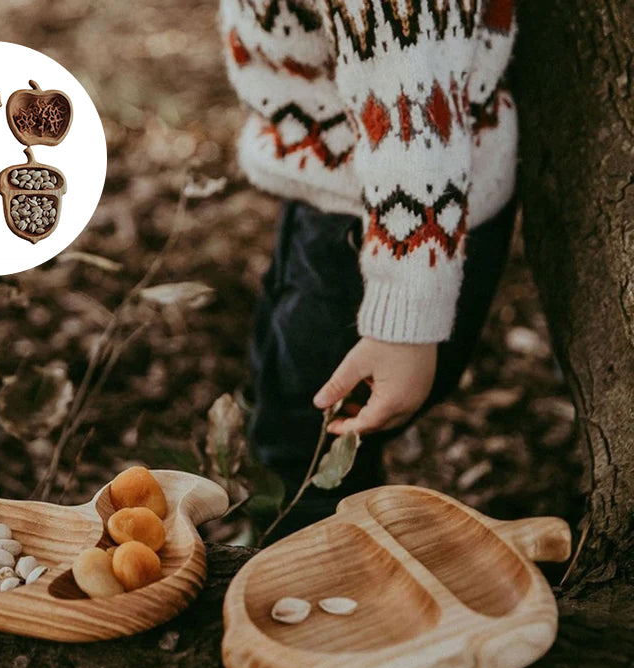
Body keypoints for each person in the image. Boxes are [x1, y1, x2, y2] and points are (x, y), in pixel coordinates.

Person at [219, 0, 518, 540]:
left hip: (392, 225)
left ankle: (310, 579)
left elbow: (414, 115)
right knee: (280, 382)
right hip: (343, 183)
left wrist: (404, 325)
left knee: (313, 447)